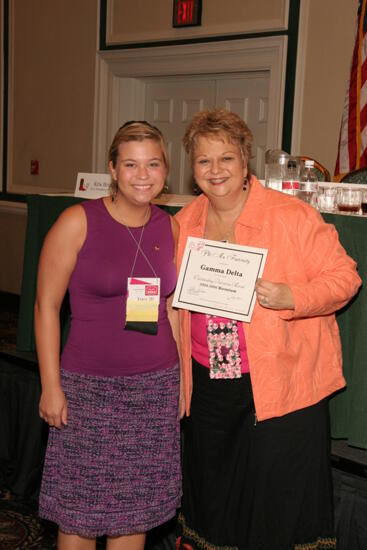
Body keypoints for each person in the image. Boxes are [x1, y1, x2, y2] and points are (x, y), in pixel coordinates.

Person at [174, 109, 362, 550]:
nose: (215, 170)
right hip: (209, 385)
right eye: (203, 161)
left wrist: (292, 297)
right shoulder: (184, 224)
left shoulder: (292, 217)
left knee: (277, 505)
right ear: (192, 168)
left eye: (226, 158)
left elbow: (346, 278)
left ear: (245, 161)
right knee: (216, 501)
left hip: (280, 387)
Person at [35, 121, 182, 550]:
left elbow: (170, 307)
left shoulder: (168, 227)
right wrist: (50, 385)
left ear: (166, 169)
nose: (143, 174)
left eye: (153, 164)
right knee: (78, 515)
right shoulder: (77, 221)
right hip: (87, 389)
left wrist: (180, 386)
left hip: (154, 387)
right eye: (131, 164)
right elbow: (45, 306)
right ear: (113, 169)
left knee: (133, 515)